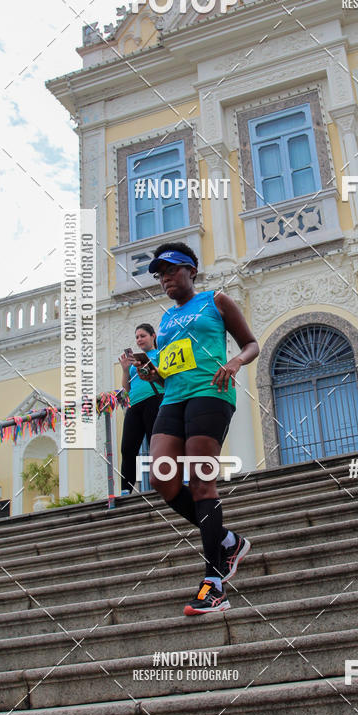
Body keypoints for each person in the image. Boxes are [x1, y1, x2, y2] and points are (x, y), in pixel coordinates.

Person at [138, 242, 259, 616]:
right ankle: (227, 540)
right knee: (160, 477)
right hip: (174, 397)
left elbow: (251, 343)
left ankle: (215, 583)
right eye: (160, 275)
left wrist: (236, 362)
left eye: (171, 270)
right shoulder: (166, 321)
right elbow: (168, 365)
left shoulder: (216, 300)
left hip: (211, 392)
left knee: (202, 480)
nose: (165, 279)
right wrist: (152, 370)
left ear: (191, 269)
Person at [118, 324, 163, 494]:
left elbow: (164, 374)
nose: (139, 340)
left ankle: (161, 483)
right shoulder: (133, 363)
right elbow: (126, 387)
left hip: (155, 398)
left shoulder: (159, 354)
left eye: (142, 336)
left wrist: (148, 365)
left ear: (153, 336)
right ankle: (126, 489)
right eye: (137, 337)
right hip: (135, 404)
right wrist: (125, 369)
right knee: (128, 447)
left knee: (156, 444)